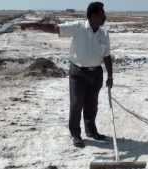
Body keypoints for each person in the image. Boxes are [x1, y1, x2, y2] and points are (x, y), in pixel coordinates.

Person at [21, 2, 113, 148]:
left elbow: (107, 55)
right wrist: (35, 25)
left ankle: (91, 131)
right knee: (76, 103)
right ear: (93, 15)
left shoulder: (104, 33)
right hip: (78, 73)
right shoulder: (78, 27)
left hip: (96, 74)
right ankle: (76, 134)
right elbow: (55, 29)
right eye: (102, 13)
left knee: (92, 105)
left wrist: (110, 76)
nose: (104, 16)